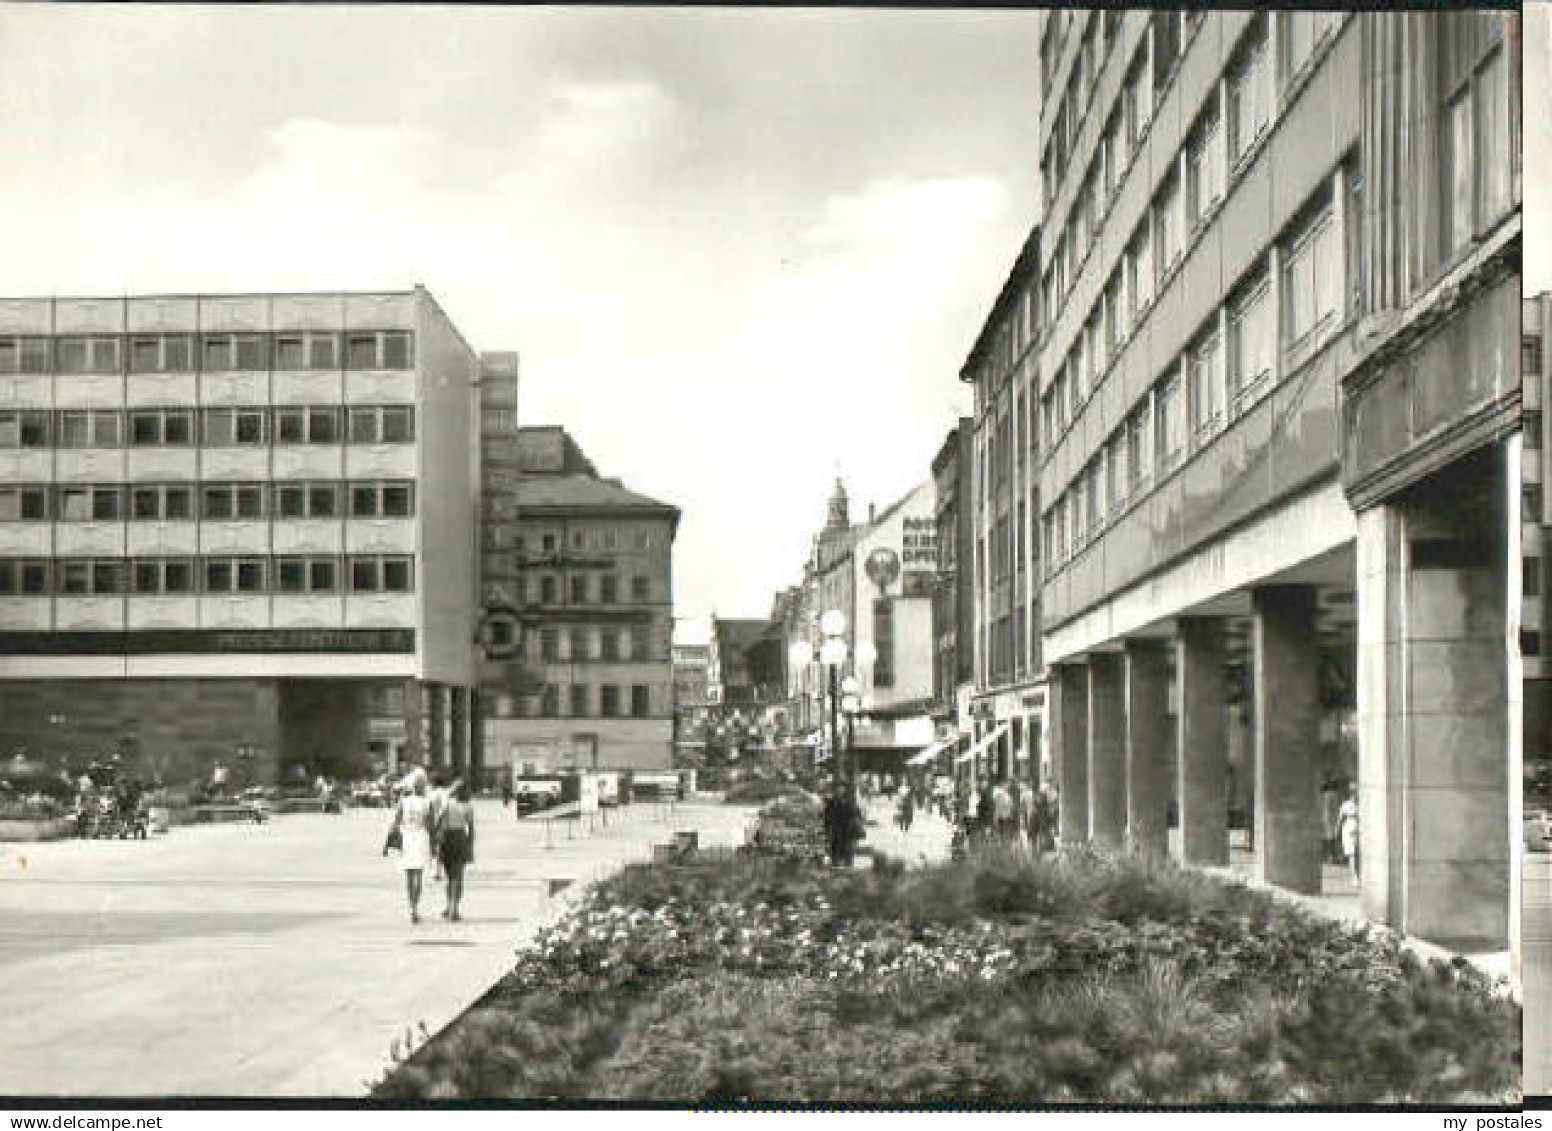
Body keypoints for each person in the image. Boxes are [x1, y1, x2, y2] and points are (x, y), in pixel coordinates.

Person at [389, 771, 435, 923]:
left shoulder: (404, 801)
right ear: (423, 787)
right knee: (419, 875)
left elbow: (396, 821)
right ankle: (415, 907)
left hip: (407, 836)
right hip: (421, 837)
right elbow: (430, 825)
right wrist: (434, 844)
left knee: (409, 875)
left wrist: (392, 838)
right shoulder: (428, 803)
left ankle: (411, 908)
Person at [437, 781, 476, 920]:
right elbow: (471, 830)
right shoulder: (468, 807)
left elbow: (440, 826)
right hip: (460, 839)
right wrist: (471, 847)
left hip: (447, 840)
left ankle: (449, 906)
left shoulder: (447, 804)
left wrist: (437, 846)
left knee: (450, 878)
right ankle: (454, 907)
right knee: (457, 877)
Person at [821, 782, 866, 867]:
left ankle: (847, 866)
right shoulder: (832, 803)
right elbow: (826, 816)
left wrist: (855, 825)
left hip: (848, 831)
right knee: (835, 851)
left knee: (848, 852)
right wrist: (827, 828)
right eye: (837, 789)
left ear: (844, 790)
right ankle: (836, 864)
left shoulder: (849, 802)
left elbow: (857, 815)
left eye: (841, 789)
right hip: (836, 831)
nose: (839, 791)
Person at [1338, 786, 1360, 883]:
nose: (1354, 795)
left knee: (1358, 853)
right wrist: (1337, 830)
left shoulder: (1362, 804)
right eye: (1353, 793)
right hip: (1349, 827)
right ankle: (1355, 876)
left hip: (1359, 827)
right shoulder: (1345, 805)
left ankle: (1358, 875)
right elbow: (1340, 819)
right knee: (1352, 853)